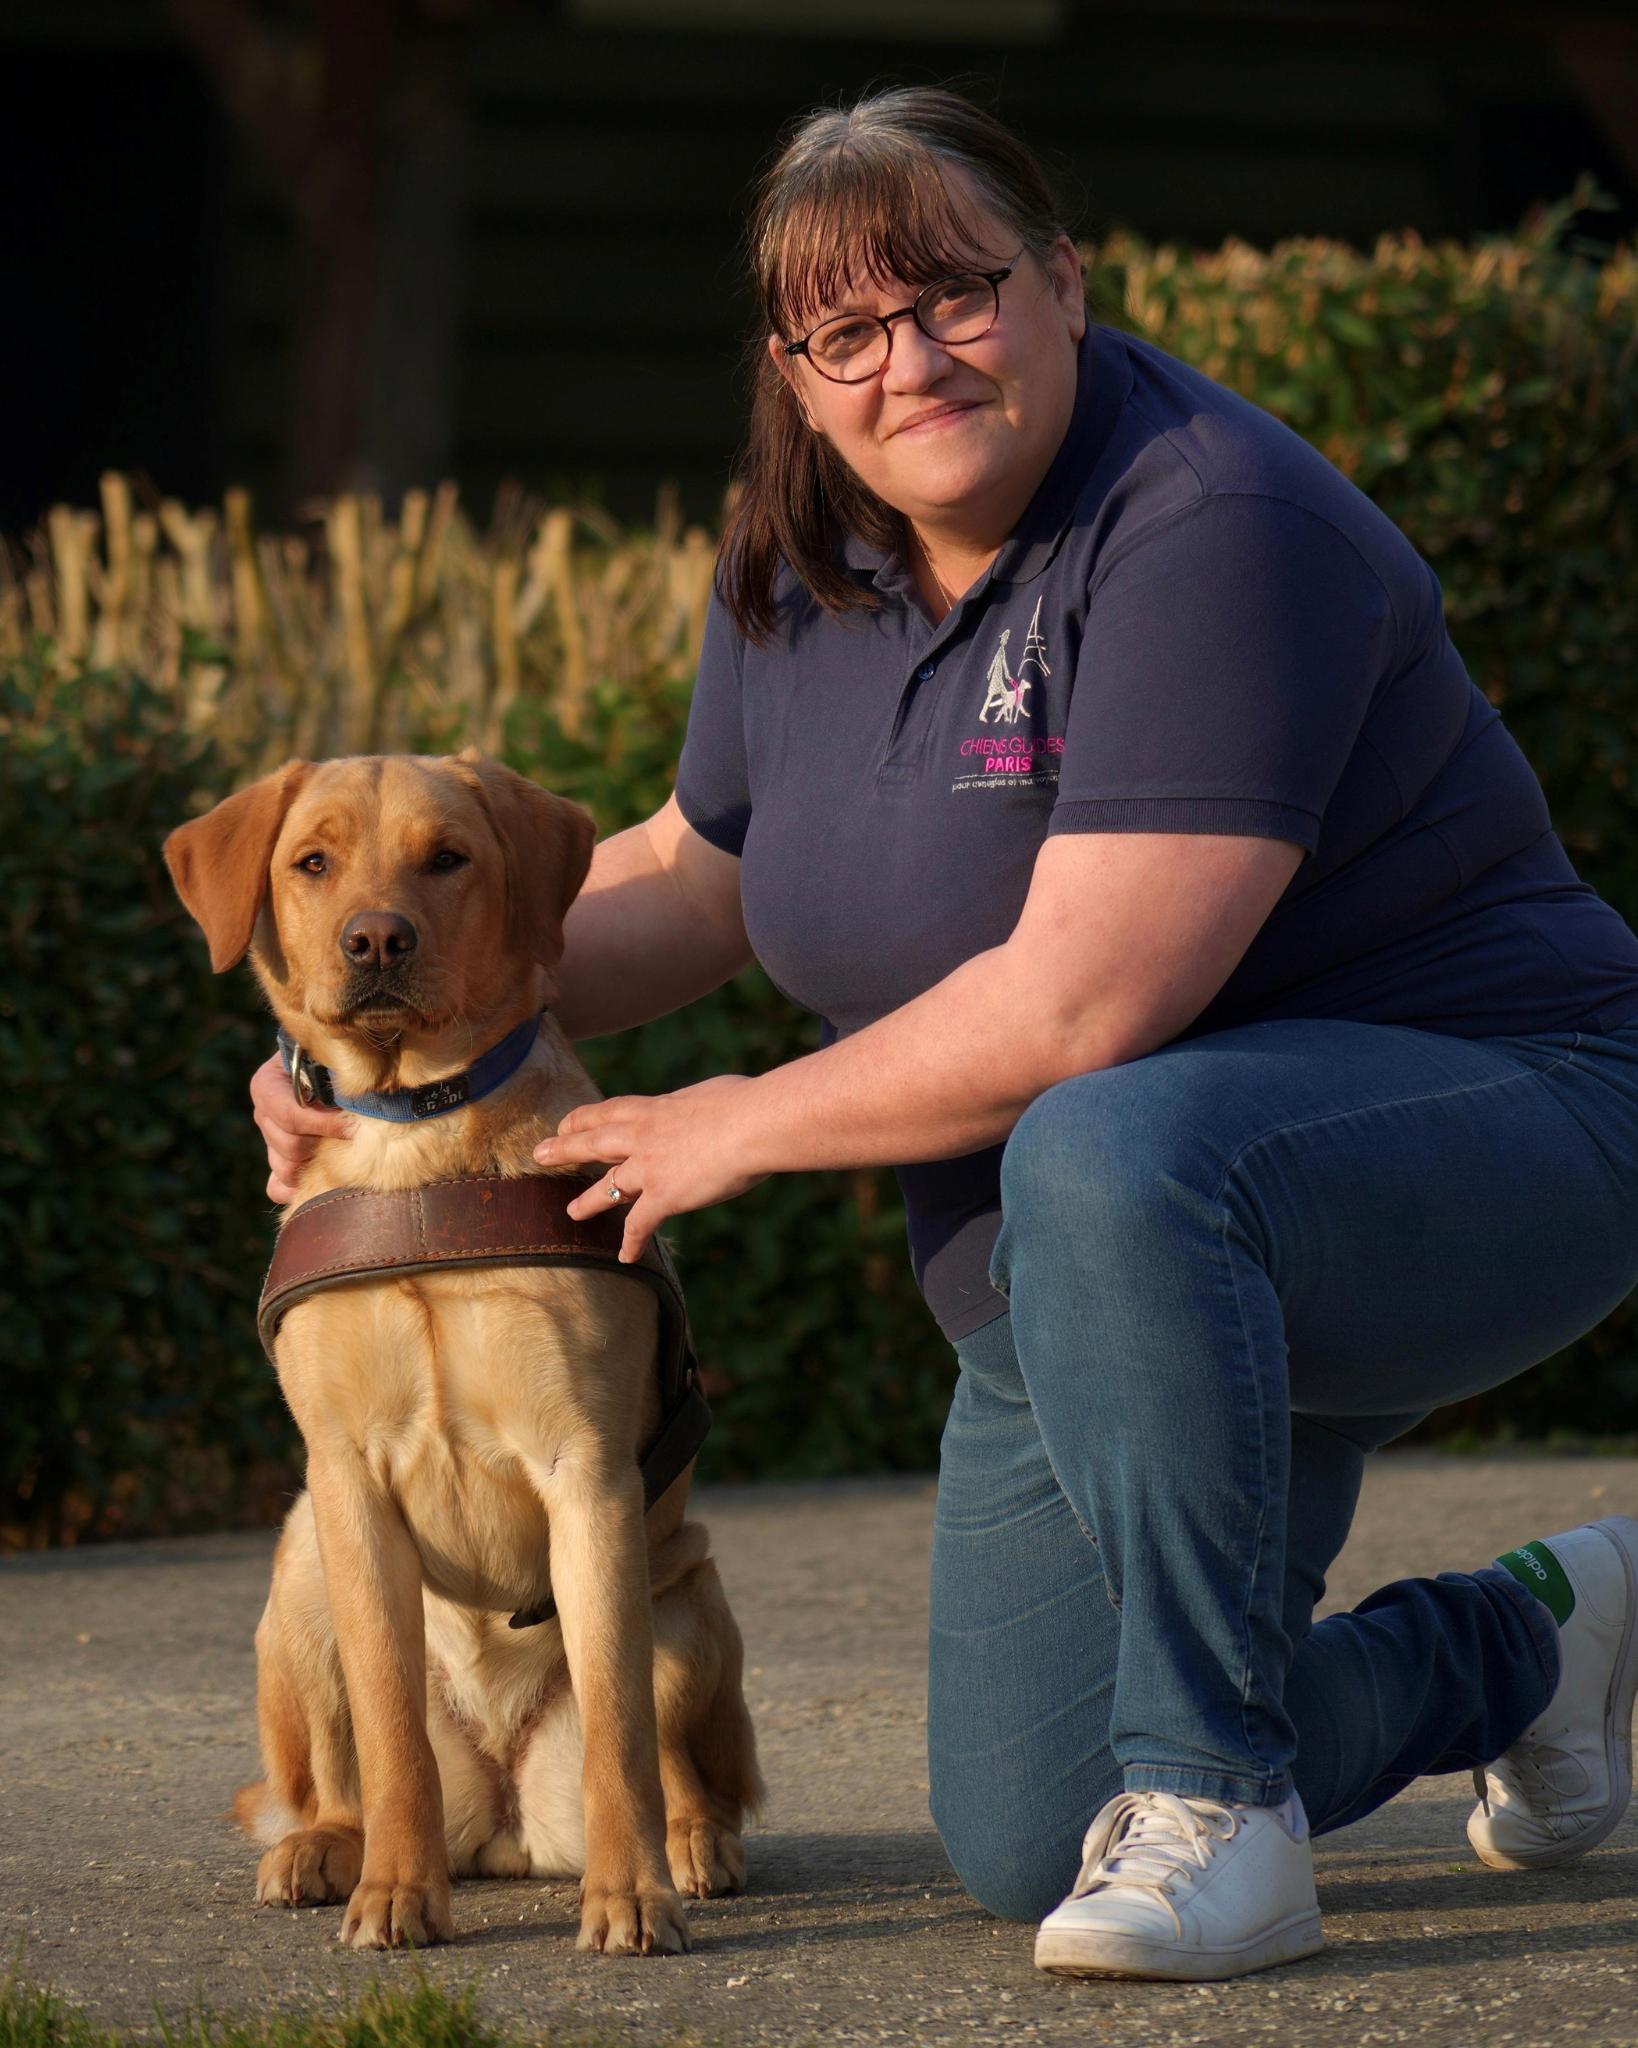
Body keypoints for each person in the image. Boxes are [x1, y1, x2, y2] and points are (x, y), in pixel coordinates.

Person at [252, 89, 1638, 1982]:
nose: (907, 361)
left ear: (1062, 285)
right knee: (1030, 1825)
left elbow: (1088, 1004)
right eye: (846, 332)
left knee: (1107, 1127)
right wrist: (387, 1023)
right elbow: (698, 872)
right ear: (795, 375)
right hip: (1116, 1257)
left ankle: (1223, 1814)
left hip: (1492, 1131)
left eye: (956, 296)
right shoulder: (797, 554)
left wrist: (730, 1122)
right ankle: (1525, 1647)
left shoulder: (1212, 523)